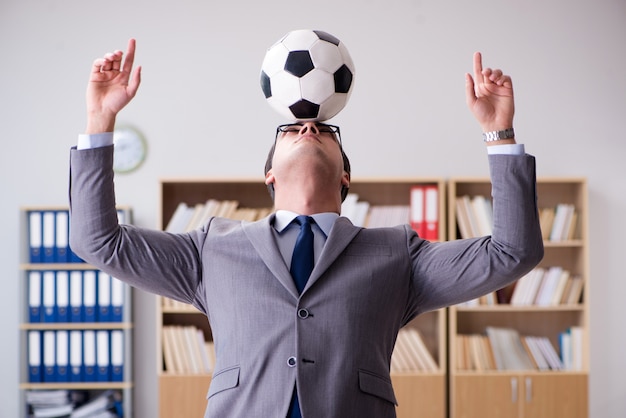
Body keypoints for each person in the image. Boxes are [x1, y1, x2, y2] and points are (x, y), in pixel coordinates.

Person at [69, 38, 543, 418]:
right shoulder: (211, 249)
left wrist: (499, 133)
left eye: (324, 130)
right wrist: (99, 120)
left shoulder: (397, 254)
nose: (309, 129)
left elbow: (512, 252)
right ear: (269, 174)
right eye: (292, 129)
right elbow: (99, 241)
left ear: (346, 176)